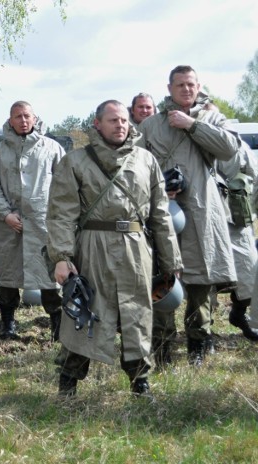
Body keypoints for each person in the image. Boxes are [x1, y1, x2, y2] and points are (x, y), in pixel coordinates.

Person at [47, 100, 182, 397]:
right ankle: (68, 380)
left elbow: (160, 213)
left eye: (123, 120)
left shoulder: (146, 160)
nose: (120, 125)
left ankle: (140, 381)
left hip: (136, 248)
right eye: (112, 120)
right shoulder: (75, 161)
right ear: (97, 124)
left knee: (137, 315)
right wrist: (61, 257)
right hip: (92, 246)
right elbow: (61, 214)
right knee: (85, 310)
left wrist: (171, 261)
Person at [139, 65, 241, 366]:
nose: (186, 89)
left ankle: (199, 343)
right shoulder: (151, 125)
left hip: (201, 212)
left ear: (198, 87)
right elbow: (136, 165)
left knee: (199, 281)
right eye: (180, 84)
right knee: (162, 277)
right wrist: (158, 186)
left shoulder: (212, 117)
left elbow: (229, 149)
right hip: (161, 213)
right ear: (169, 88)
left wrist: (192, 125)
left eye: (191, 84)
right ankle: (161, 348)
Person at [0, 101, 65, 340]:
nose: (22, 120)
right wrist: (5, 214)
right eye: (17, 116)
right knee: (7, 276)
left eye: (26, 115)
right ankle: (8, 322)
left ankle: (57, 325)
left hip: (43, 224)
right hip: (6, 225)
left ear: (35, 117)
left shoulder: (52, 148)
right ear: (10, 120)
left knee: (50, 278)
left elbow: (64, 185)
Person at [217, 141, 258, 340]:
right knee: (204, 279)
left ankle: (239, 313)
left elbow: (255, 175)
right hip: (200, 218)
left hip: (236, 218)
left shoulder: (237, 145)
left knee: (249, 271)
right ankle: (201, 333)